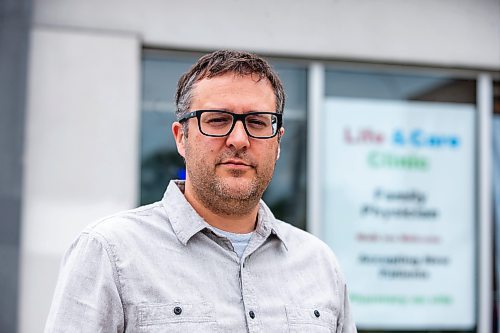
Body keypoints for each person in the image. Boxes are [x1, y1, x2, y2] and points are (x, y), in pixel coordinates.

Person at [45, 50, 357, 332]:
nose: (238, 139)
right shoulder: (110, 252)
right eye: (218, 120)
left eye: (258, 122)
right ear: (181, 137)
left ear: (277, 143)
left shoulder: (319, 265)